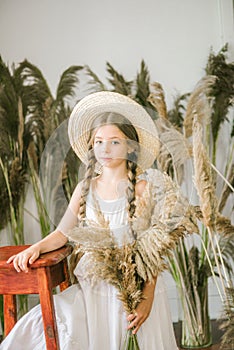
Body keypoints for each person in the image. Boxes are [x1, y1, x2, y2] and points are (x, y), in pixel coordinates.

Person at [0, 91, 185, 350]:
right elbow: (63, 233)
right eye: (98, 142)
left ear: (130, 146)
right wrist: (36, 248)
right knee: (46, 325)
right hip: (95, 286)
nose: (105, 149)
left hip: (134, 286)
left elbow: (152, 249)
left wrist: (147, 297)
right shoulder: (85, 188)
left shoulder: (143, 189)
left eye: (114, 142)